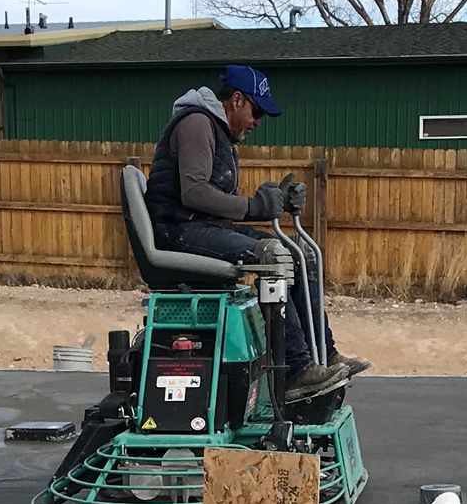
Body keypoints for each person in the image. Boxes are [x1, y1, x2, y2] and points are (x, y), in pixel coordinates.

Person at [143, 63, 364, 399]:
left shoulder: (218, 132)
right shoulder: (197, 124)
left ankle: (325, 354)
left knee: (300, 254)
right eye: (256, 112)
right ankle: (296, 369)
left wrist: (273, 199)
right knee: (275, 257)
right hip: (179, 233)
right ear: (237, 100)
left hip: (200, 228)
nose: (257, 122)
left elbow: (220, 201)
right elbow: (195, 194)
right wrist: (255, 206)